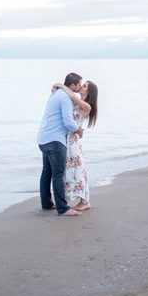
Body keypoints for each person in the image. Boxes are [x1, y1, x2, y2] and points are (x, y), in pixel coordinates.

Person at [37, 72, 84, 217]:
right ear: (72, 85)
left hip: (43, 138)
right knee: (58, 174)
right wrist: (78, 130)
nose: (80, 87)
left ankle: (46, 203)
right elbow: (68, 121)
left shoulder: (56, 94)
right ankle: (63, 208)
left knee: (47, 172)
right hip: (55, 140)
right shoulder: (65, 97)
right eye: (79, 85)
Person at [52, 79, 99, 212]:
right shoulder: (75, 102)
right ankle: (74, 198)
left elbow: (72, 95)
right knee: (69, 170)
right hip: (66, 138)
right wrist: (55, 91)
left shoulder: (86, 106)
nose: (81, 87)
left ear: (88, 91)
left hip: (73, 141)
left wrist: (62, 86)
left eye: (84, 86)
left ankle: (85, 201)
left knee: (78, 170)